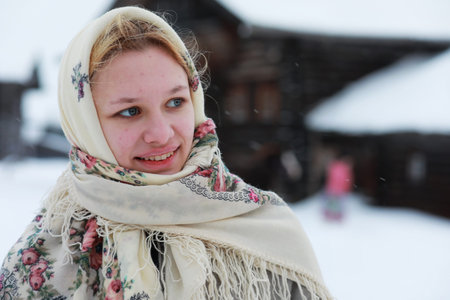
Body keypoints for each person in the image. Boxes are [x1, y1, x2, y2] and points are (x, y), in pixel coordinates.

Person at [0, 6, 331, 300]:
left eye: (175, 102)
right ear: (84, 123)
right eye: (130, 111)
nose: (161, 134)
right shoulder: (45, 255)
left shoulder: (267, 232)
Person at [323, 155, 354, 221]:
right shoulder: (345, 168)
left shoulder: (334, 166)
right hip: (338, 189)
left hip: (333, 188)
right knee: (336, 202)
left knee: (333, 202)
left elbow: (330, 177)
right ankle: (335, 215)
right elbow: (347, 180)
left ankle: (331, 214)